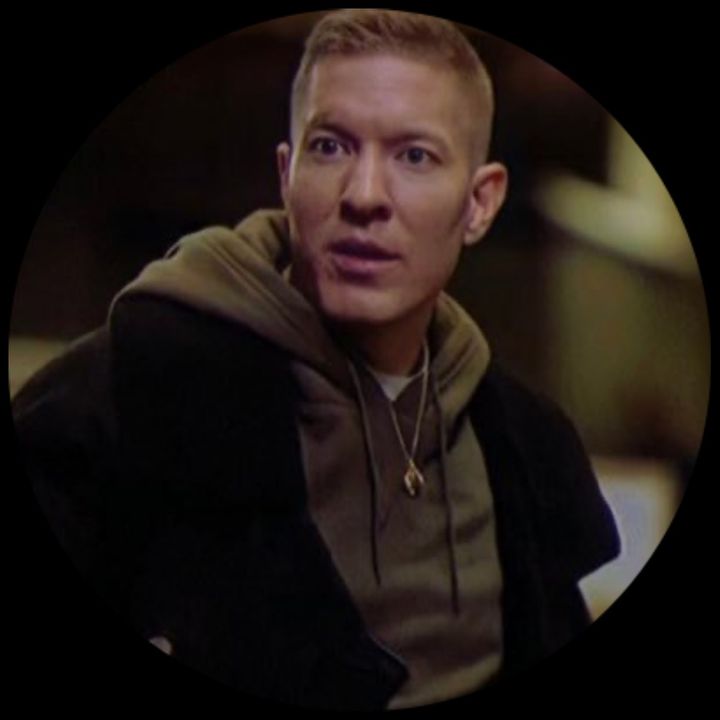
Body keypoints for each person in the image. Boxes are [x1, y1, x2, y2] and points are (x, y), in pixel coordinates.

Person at [13, 9, 619, 711]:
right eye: (330, 147)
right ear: (286, 174)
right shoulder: (128, 397)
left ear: (480, 203)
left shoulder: (524, 444)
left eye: (414, 156)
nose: (364, 196)